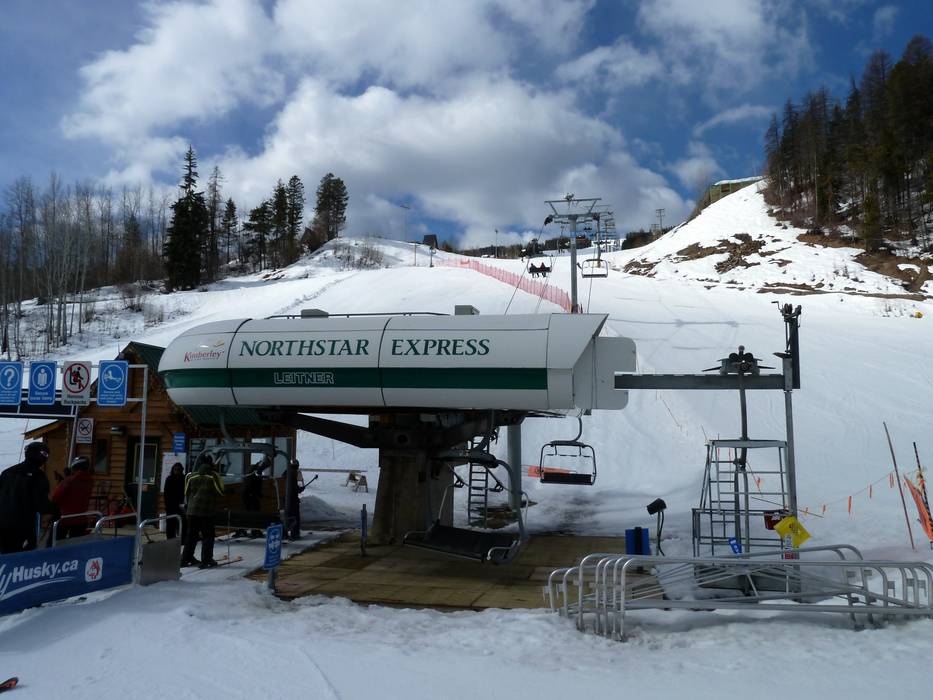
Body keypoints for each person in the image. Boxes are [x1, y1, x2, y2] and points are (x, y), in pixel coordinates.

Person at [0, 442, 59, 554]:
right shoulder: (38, 476)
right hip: (22, 526)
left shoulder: (7, 472)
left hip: (3, 523)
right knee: (24, 558)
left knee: (5, 555)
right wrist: (56, 510)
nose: (46, 458)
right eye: (45, 454)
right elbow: (41, 505)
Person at [181, 454, 224, 568]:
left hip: (192, 511)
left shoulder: (191, 476)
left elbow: (186, 492)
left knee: (191, 536)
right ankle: (206, 560)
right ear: (210, 463)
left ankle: (185, 559)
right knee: (208, 536)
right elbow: (221, 491)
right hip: (207, 512)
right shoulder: (213, 476)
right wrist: (216, 475)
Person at [50, 456, 93, 541]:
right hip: (80, 519)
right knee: (75, 544)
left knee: (54, 543)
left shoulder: (69, 480)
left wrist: (62, 482)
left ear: (74, 466)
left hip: (64, 518)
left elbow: (55, 498)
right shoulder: (90, 481)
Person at [163, 462, 185, 540]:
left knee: (182, 523)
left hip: (181, 504)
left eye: (179, 469)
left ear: (181, 470)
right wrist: (167, 505)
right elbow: (166, 493)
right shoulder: (169, 479)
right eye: (175, 469)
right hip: (171, 505)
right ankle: (170, 540)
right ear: (173, 470)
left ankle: (182, 539)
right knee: (170, 525)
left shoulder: (183, 478)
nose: (177, 471)